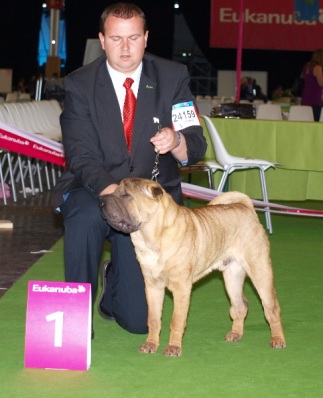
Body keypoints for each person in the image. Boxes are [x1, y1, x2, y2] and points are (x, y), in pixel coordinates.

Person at [53, 2, 207, 336]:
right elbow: (80, 155)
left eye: (133, 38)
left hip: (150, 204)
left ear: (146, 38)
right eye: (116, 38)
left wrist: (176, 139)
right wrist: (117, 197)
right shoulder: (79, 84)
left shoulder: (172, 77)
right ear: (102, 39)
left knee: (138, 323)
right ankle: (74, 324)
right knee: (83, 219)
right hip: (93, 189)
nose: (125, 47)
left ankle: (113, 287)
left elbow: (196, 146)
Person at [301, 48, 323, 121]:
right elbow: (321, 83)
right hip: (314, 100)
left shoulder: (307, 66)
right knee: (315, 122)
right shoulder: (317, 67)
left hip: (305, 98)